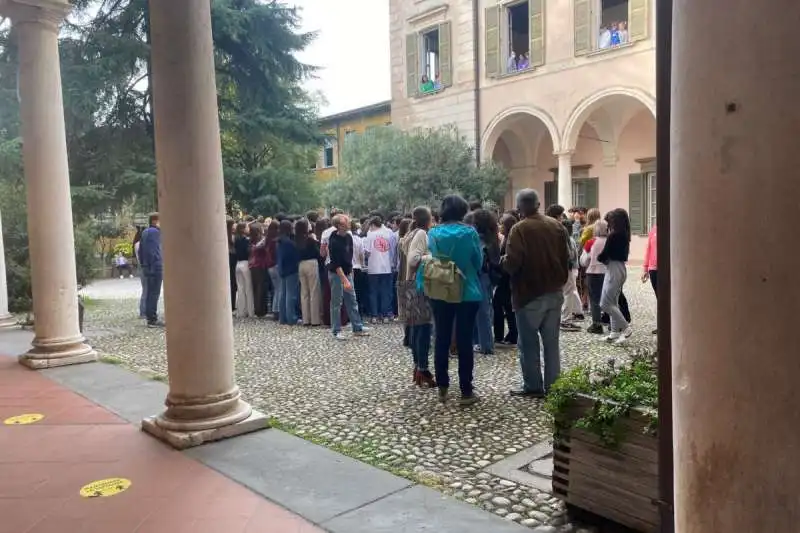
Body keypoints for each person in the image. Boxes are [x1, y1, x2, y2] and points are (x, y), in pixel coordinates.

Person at [502, 190, 569, 397]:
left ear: (519, 207)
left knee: (529, 344)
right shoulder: (556, 225)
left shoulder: (519, 229)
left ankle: (533, 386)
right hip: (554, 290)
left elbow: (513, 263)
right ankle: (553, 386)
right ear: (539, 203)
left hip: (528, 293)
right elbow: (566, 256)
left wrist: (501, 261)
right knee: (551, 344)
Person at [423, 194, 483, 406]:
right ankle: (466, 390)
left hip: (441, 288)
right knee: (465, 340)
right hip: (467, 289)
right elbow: (478, 261)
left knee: (441, 337)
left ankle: (443, 388)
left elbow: (431, 257)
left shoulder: (434, 232)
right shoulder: (469, 233)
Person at [399, 207, 435, 387]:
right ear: (428, 219)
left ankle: (418, 367)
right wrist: (431, 257)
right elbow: (414, 259)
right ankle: (423, 368)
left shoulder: (410, 233)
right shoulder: (421, 233)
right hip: (418, 285)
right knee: (423, 329)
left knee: (414, 328)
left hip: (408, 284)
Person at [328, 214, 369, 340]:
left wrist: (350, 272)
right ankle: (336, 330)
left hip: (347, 272)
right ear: (339, 225)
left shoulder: (349, 237)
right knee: (337, 302)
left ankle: (357, 326)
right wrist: (344, 279)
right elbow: (336, 263)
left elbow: (349, 256)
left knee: (352, 299)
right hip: (336, 274)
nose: (348, 222)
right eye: (345, 221)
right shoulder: (334, 240)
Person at [598, 208, 632, 344]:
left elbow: (604, 254)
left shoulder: (614, 235)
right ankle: (614, 332)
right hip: (620, 269)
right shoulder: (624, 234)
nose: (608, 224)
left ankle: (626, 328)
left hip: (613, 269)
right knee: (613, 302)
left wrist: (600, 257)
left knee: (605, 303)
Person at [364, 216, 396, 322]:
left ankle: (374, 315)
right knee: (385, 291)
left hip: (373, 267)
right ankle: (385, 315)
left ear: (372, 225)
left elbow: (367, 252)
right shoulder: (389, 233)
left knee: (373, 291)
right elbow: (393, 250)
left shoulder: (370, 235)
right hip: (387, 267)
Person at [494, 213, 519, 346]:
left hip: (506, 278)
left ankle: (512, 333)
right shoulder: (506, 238)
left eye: (502, 223)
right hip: (505, 278)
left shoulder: (510, 239)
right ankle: (511, 333)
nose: (500, 226)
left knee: (506, 306)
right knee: (505, 306)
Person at [139, 212, 164, 328]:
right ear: (155, 220)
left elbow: (141, 251)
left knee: (150, 292)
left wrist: (144, 265)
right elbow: (154, 252)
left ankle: (150, 317)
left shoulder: (145, 232)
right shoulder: (154, 232)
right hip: (155, 267)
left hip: (148, 266)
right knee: (154, 293)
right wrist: (156, 264)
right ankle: (152, 319)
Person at [296, 219, 322, 326]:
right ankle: (315, 319)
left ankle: (306, 319)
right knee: (314, 292)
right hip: (311, 263)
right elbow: (318, 252)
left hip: (301, 264)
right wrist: (316, 240)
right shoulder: (311, 239)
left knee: (304, 292)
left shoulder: (296, 239)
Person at [276, 220, 300, 325]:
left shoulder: (279, 241)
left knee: (283, 294)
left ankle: (282, 317)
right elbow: (295, 256)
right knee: (291, 295)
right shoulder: (289, 243)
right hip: (291, 269)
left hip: (282, 269)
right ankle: (291, 317)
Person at [249, 223, 269, 318]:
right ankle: (261, 309)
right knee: (261, 287)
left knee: (256, 287)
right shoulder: (261, 241)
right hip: (260, 265)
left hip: (252, 265)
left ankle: (257, 308)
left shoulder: (250, 240)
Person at [642, 223, 658, 335]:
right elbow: (649, 249)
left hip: (667, 269)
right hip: (654, 269)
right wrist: (645, 268)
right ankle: (661, 324)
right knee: (659, 298)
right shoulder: (654, 229)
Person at [132, 226, 146, 318]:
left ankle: (143, 310)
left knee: (145, 289)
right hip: (144, 266)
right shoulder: (141, 244)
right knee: (146, 290)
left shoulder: (136, 244)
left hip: (140, 267)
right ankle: (143, 311)